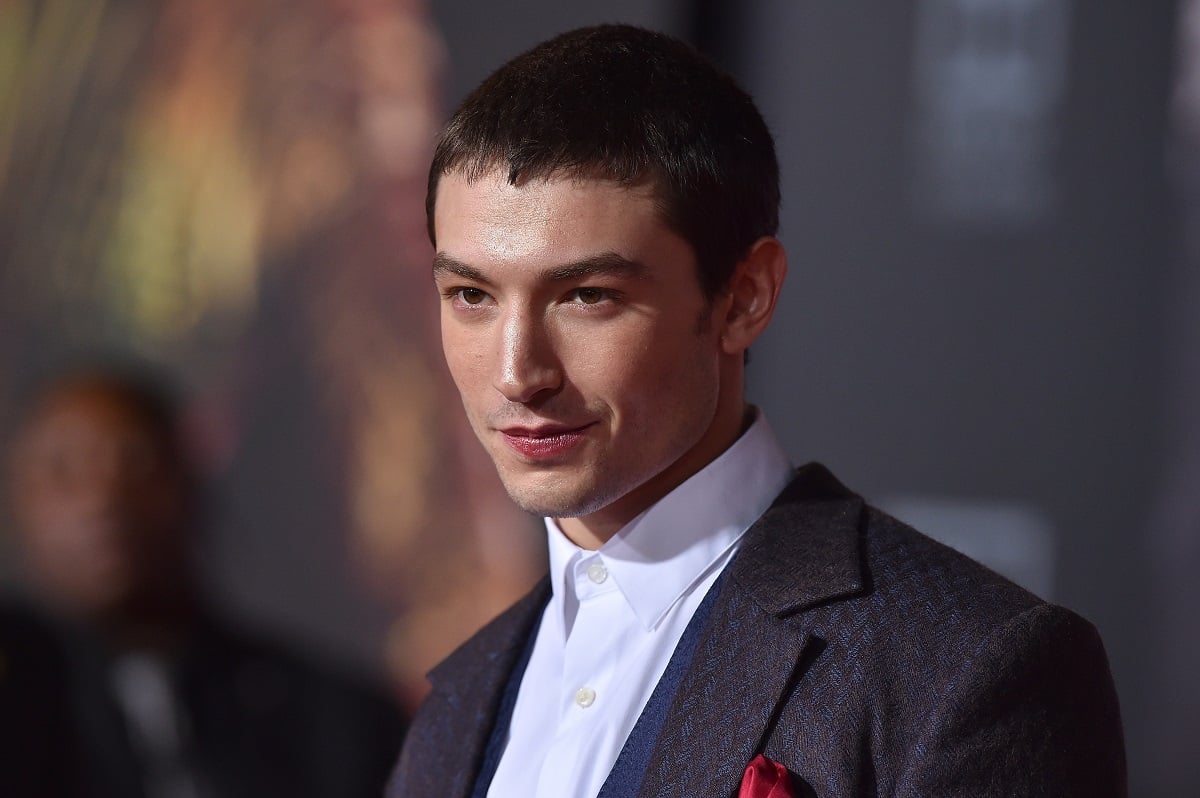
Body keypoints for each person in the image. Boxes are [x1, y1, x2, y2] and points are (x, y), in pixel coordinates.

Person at [387, 23, 1126, 798]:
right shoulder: (458, 704)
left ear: (745, 297)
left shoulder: (966, 671)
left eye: (587, 296)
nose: (516, 373)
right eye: (471, 295)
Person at [0, 362, 407, 798]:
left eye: (135, 462)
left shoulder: (334, 719)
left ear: (190, 484)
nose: (103, 498)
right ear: (15, 499)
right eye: (61, 470)